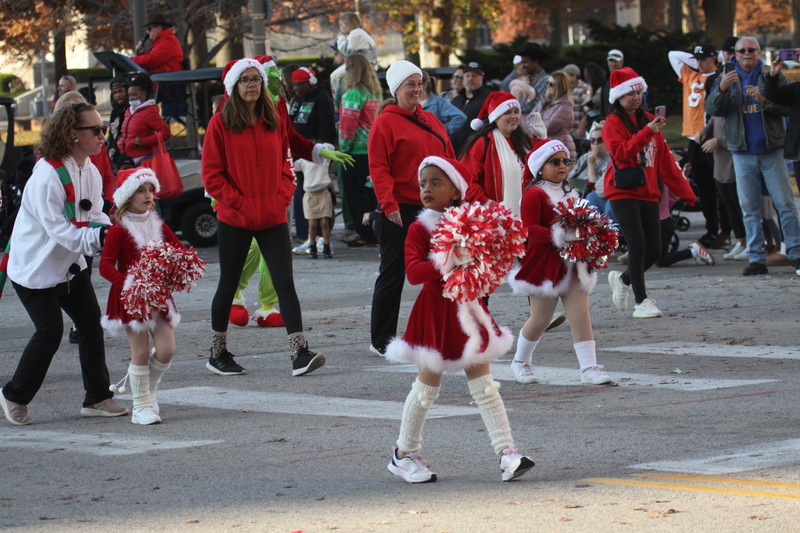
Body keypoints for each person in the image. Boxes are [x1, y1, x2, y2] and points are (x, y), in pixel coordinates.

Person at [385, 156, 534, 483]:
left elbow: (487, 266)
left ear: (456, 191)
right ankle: (403, 453)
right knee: (426, 389)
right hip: (435, 314)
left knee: (485, 386)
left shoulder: (474, 223)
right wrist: (449, 258)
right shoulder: (419, 227)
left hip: (469, 310)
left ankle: (507, 453)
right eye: (423, 183)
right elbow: (412, 273)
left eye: (436, 182)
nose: (426, 189)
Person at [0, 102, 128, 425]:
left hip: (70, 267)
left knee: (90, 323)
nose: (103, 136)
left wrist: (110, 234)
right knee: (50, 331)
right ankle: (14, 395)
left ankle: (97, 397)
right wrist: (103, 241)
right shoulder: (46, 176)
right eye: (96, 130)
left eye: (104, 129)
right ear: (73, 134)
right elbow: (62, 232)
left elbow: (96, 214)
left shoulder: (91, 170)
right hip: (34, 270)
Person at [202, 58, 325, 376]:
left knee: (285, 282)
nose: (253, 84)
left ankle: (299, 353)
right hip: (235, 217)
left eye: (256, 78)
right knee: (228, 284)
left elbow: (287, 164)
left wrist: (282, 197)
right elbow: (212, 176)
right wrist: (238, 204)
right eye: (245, 80)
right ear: (232, 86)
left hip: (272, 215)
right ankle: (218, 353)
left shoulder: (274, 119)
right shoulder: (220, 124)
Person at [507, 139, 613, 385]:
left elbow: (580, 224)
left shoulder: (570, 191)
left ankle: (589, 368)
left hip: (574, 264)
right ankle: (520, 362)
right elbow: (528, 229)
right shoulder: (534, 194)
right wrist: (560, 235)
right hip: (545, 265)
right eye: (554, 162)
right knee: (540, 319)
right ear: (540, 167)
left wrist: (591, 237)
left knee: (580, 315)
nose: (562, 166)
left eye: (565, 161)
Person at [368, 60, 455, 356]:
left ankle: (450, 332)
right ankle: (381, 340)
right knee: (393, 273)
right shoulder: (385, 122)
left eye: (419, 83)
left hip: (437, 207)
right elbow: (378, 167)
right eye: (410, 84)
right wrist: (387, 203)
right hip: (402, 207)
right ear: (396, 90)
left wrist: (458, 194)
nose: (417, 89)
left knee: (450, 267)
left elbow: (449, 158)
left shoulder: (432, 119)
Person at [99, 168, 194, 425]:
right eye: (141, 190)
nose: (148, 195)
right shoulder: (118, 229)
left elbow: (178, 251)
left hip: (158, 296)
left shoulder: (158, 224)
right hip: (131, 297)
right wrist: (129, 285)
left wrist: (185, 264)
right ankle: (141, 405)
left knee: (167, 349)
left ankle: (147, 392)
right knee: (139, 353)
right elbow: (105, 265)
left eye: (151, 190)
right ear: (127, 196)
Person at [603, 67, 696, 318]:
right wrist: (647, 132)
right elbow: (621, 153)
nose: (635, 97)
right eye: (630, 93)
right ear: (618, 97)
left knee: (655, 249)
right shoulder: (613, 122)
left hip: (649, 192)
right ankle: (641, 302)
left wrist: (687, 194)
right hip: (623, 190)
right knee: (637, 245)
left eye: (638, 91)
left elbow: (665, 162)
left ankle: (622, 280)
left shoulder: (648, 120)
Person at [706, 36, 800, 276]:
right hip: (742, 152)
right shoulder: (725, 77)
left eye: (751, 50)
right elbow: (711, 110)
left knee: (786, 205)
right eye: (742, 50)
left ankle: (796, 253)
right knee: (749, 208)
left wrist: (763, 100)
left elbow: (788, 109)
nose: (747, 53)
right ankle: (757, 258)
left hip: (771, 150)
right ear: (734, 54)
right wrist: (723, 89)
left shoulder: (772, 74)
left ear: (758, 53)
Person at [669, 44, 730, 250]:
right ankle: (711, 229)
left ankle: (726, 231)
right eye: (697, 59)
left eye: (704, 59)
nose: (699, 63)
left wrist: (720, 58)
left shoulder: (720, 76)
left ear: (714, 58)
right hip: (694, 139)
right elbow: (673, 54)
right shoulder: (690, 74)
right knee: (704, 188)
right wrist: (695, 59)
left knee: (721, 186)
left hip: (711, 137)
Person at [288, 67, 337, 251]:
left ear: (310, 83)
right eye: (294, 85)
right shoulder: (298, 99)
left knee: (316, 194)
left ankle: (319, 238)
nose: (296, 89)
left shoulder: (322, 98)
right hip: (297, 153)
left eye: (299, 85)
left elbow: (327, 126)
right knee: (302, 194)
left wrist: (323, 151)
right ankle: (305, 236)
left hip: (314, 154)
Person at [460, 92, 530, 217]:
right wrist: (486, 203)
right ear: (496, 117)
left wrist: (542, 138)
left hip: (521, 214)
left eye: (516, 111)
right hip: (490, 217)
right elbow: (465, 179)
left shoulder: (524, 142)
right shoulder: (483, 143)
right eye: (507, 112)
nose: (513, 116)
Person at [339, 54, 382, 247]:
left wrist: (343, 150)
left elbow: (347, 126)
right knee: (371, 194)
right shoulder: (374, 92)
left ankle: (364, 234)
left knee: (355, 197)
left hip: (354, 153)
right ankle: (375, 231)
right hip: (372, 151)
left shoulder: (353, 93)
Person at [117, 74, 171, 166]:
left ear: (144, 94)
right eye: (129, 95)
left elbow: (165, 132)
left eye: (134, 94)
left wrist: (144, 141)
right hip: (130, 158)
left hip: (144, 159)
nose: (131, 98)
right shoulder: (128, 111)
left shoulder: (149, 112)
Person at [331, 12, 378, 110]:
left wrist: (341, 37)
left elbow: (346, 50)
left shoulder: (355, 33)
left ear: (348, 25)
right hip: (367, 63)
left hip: (363, 64)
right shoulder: (360, 33)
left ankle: (337, 103)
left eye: (341, 25)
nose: (340, 29)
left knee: (335, 76)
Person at [571, 121, 613, 222]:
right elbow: (571, 176)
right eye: (592, 140)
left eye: (599, 140)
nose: (595, 144)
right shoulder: (585, 157)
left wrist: (591, 165)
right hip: (575, 193)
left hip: (589, 198)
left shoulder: (609, 161)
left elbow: (596, 188)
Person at [450, 62, 493, 153]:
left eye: (474, 76)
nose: (470, 78)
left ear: (482, 78)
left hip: (476, 152)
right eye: (467, 75)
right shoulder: (456, 100)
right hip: (454, 152)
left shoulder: (489, 99)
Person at [532, 71, 576, 159]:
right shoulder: (544, 101)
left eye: (551, 84)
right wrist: (536, 128)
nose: (547, 86)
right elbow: (529, 119)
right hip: (546, 145)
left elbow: (550, 127)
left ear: (560, 86)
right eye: (547, 83)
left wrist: (536, 126)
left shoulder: (566, 104)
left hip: (560, 146)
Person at [420, 70, 467, 137]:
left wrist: (440, 130)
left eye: (417, 84)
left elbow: (460, 117)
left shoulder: (438, 102)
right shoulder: (408, 102)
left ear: (424, 84)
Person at [107, 76, 129, 167]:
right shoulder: (114, 111)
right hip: (114, 155)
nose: (118, 95)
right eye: (114, 93)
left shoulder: (130, 110)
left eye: (120, 91)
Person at [563, 64, 589, 137]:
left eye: (566, 75)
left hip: (577, 129)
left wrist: (580, 129)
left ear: (574, 76)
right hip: (565, 130)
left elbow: (587, 111)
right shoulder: (564, 88)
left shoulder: (583, 88)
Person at [600, 50, 624, 118]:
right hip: (607, 120)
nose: (613, 64)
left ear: (622, 62)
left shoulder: (626, 80)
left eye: (616, 61)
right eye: (611, 61)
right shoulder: (606, 80)